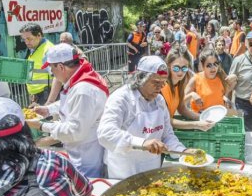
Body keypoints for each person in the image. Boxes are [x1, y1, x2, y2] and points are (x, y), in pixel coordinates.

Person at [97, 56, 193, 179]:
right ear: (141, 78)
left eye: (163, 83)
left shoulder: (159, 100)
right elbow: (105, 133)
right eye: (155, 82)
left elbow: (167, 135)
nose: (160, 88)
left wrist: (183, 152)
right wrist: (142, 143)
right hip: (124, 170)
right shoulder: (121, 99)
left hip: (151, 167)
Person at [27, 44, 109, 178]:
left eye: (51, 68)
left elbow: (74, 132)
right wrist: (48, 109)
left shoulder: (83, 90)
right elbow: (71, 102)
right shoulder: (81, 77)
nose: (51, 73)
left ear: (61, 67)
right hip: (81, 149)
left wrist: (41, 125)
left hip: (85, 156)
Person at [161, 45, 214, 131]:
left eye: (184, 68)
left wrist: (202, 118)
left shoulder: (180, 83)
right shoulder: (162, 86)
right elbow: (165, 120)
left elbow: (181, 108)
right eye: (176, 68)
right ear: (168, 65)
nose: (180, 72)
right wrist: (196, 124)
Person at [185, 49, 232, 113]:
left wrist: (225, 98)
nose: (213, 68)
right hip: (201, 118)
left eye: (215, 64)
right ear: (202, 65)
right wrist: (192, 94)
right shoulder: (195, 79)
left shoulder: (221, 76)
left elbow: (224, 91)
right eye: (209, 65)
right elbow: (182, 101)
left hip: (219, 116)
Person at [20, 23, 56, 105]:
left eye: (29, 39)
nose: (26, 42)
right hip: (38, 97)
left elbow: (57, 78)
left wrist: (49, 102)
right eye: (24, 39)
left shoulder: (48, 51)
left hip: (46, 97)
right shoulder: (35, 48)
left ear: (39, 35)